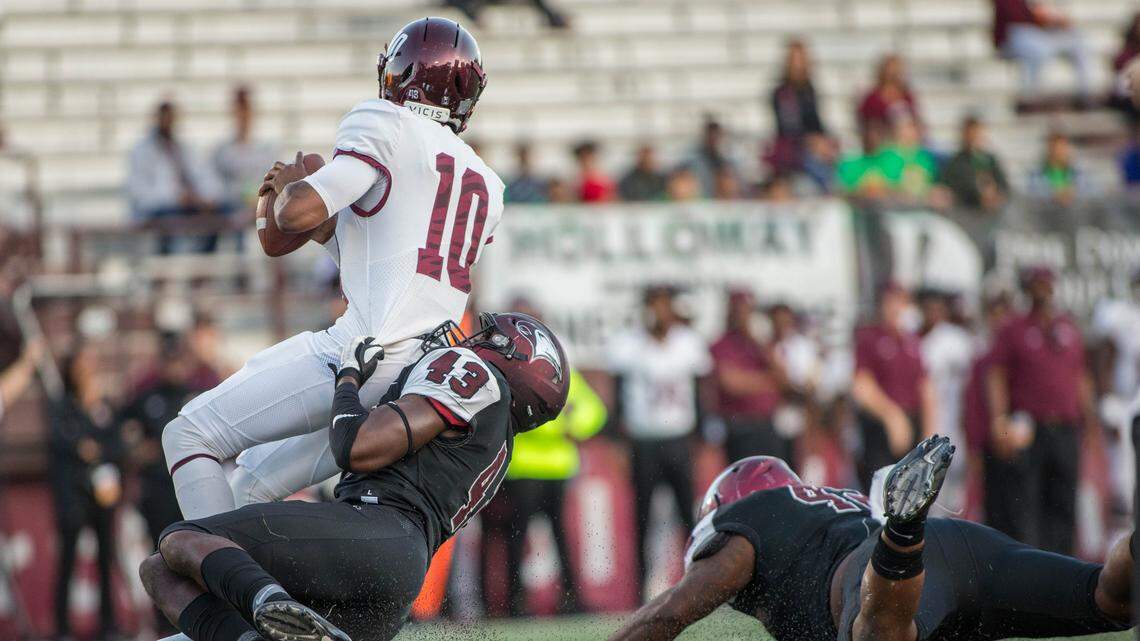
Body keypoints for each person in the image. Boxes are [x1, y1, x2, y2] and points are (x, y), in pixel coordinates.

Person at [163, 18, 505, 521]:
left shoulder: (385, 123)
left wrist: (294, 186)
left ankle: (213, 571)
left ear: (403, 73)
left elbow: (295, 214)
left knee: (188, 433)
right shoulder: (488, 183)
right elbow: (392, 261)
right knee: (247, 488)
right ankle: (244, 572)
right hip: (415, 380)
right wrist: (327, 231)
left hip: (357, 356)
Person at [140, 313, 569, 641]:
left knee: (184, 539)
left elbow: (357, 446)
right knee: (159, 571)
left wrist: (348, 377)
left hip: (376, 532)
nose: (473, 339)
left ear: (518, 363)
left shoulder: (477, 376)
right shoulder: (499, 444)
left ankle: (269, 606)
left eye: (492, 339)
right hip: (394, 580)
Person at [606, 437, 1134, 641]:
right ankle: (904, 528)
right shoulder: (831, 504)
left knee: (877, 633)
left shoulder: (749, 519)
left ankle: (904, 531)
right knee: (1110, 599)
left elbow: (667, 615)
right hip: (958, 552)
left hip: (888, 574)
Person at [986, 266, 1100, 555]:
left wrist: (1090, 421)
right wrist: (1000, 420)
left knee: (1064, 500)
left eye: (1045, 285)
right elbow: (996, 375)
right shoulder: (1014, 329)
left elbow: (1081, 376)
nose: (1042, 291)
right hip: (1029, 426)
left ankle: (1065, 566)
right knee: (1028, 501)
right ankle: (1032, 567)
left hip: (1065, 425)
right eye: (1036, 285)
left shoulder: (1068, 328)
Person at [608, 286, 711, 596]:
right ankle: (643, 587)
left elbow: (699, 391)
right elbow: (618, 397)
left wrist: (700, 437)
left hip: (679, 438)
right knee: (643, 515)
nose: (659, 313)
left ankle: (700, 582)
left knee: (687, 515)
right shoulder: (628, 344)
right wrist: (620, 443)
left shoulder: (687, 342)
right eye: (654, 305)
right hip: (644, 441)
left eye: (665, 305)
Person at [49, 344, 124, 641]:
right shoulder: (62, 406)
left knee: (106, 558)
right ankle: (62, 628)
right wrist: (82, 446)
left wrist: (99, 449)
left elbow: (116, 444)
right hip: (73, 495)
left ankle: (109, 624)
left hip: (102, 493)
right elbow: (62, 443)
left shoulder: (103, 406)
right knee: (68, 559)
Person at [851, 282, 937, 491]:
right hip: (881, 428)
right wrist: (891, 416)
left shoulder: (913, 342)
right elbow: (862, 386)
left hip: (912, 424)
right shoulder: (870, 338)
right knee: (882, 493)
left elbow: (925, 387)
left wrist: (930, 438)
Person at [126, 101, 223, 254]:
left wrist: (205, 198)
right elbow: (141, 194)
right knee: (168, 220)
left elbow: (204, 177)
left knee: (216, 215)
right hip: (159, 211)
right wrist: (176, 197)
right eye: (165, 118)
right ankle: (164, 263)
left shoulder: (183, 148)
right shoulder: (142, 151)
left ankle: (203, 262)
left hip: (187, 207)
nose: (168, 122)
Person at [709, 290, 787, 462]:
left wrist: (761, 344)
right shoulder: (722, 344)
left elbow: (784, 379)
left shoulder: (762, 344)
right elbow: (732, 384)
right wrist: (768, 380)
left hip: (767, 423)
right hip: (741, 426)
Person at [916, 289, 973, 511]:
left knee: (954, 487)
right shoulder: (915, 338)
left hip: (954, 415)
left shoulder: (956, 339)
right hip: (929, 417)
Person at [211, 87, 278, 245]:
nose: (242, 115)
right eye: (239, 110)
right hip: (230, 210)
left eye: (245, 109)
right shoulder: (222, 151)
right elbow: (215, 187)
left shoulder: (267, 149)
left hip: (259, 209)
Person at [992, 0, 1091, 102]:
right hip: (1015, 36)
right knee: (1038, 50)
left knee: (1077, 42)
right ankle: (1029, 96)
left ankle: (1085, 93)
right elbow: (1016, 16)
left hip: (1040, 32)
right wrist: (1039, 16)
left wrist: (1055, 18)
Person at [768, 39, 834, 191]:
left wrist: (824, 142)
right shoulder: (782, 94)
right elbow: (788, 128)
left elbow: (816, 123)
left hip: (812, 151)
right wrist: (811, 141)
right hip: (794, 154)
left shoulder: (809, 90)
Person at [939, 116, 1010, 212]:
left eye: (978, 134)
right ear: (965, 135)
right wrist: (980, 196)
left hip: (993, 212)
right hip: (968, 212)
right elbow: (957, 190)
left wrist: (997, 195)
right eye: (972, 134)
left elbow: (1003, 185)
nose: (976, 138)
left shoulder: (990, 160)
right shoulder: (956, 163)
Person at [857, 54, 922, 140]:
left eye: (896, 70)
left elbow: (914, 118)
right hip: (881, 140)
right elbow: (865, 121)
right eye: (890, 69)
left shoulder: (907, 96)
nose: (893, 73)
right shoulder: (872, 98)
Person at [1028, 131, 1088, 206]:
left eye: (1062, 148)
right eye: (1055, 148)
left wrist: (1072, 194)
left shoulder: (1078, 172)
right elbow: (1033, 194)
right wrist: (1055, 195)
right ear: (1049, 149)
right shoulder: (1036, 173)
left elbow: (1088, 192)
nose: (1059, 152)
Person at [689, 117, 740, 198]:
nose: (713, 139)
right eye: (711, 136)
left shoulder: (729, 159)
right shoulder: (694, 160)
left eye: (716, 136)